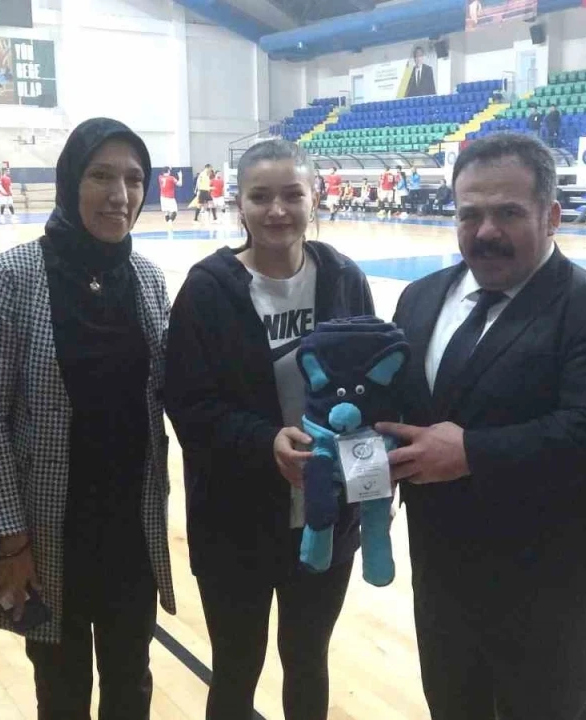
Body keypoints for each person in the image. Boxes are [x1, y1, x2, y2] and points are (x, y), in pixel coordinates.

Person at [386, 133, 586, 720]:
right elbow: (404, 412)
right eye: (469, 214)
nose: (485, 232)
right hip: (441, 579)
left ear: (551, 215)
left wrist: (471, 452)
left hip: (553, 594)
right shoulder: (420, 298)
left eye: (508, 213)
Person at [0, 118, 176, 720]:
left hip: (131, 529)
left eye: (134, 179)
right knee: (60, 690)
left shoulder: (148, 278)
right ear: (70, 181)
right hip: (46, 532)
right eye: (101, 176)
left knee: (130, 681)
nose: (120, 195)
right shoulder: (15, 275)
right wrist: (10, 540)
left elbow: (172, 392)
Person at [165, 138, 375, 720]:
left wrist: (369, 479)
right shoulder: (208, 289)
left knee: (307, 659)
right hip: (236, 523)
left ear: (315, 199)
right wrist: (265, 443)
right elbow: (188, 404)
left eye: (292, 195)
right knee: (236, 667)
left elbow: (371, 383)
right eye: (260, 197)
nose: (277, 210)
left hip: (326, 518)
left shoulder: (343, 278)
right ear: (240, 203)